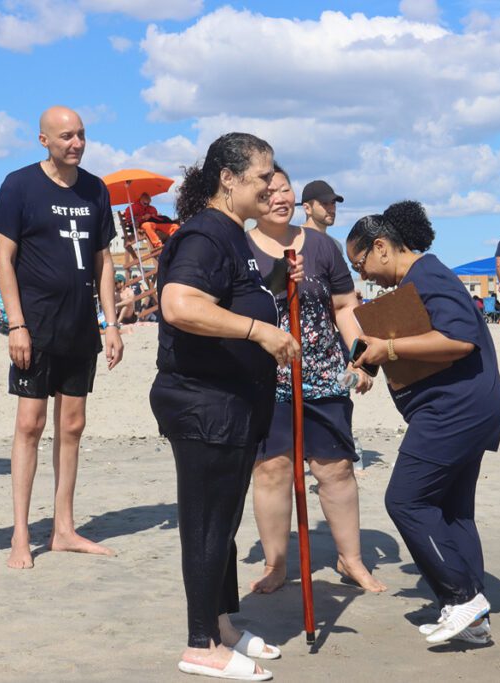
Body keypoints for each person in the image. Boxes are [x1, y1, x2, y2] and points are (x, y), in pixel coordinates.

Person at [150, 133, 300, 680]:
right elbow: (180, 304)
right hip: (203, 402)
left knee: (226, 518)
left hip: (234, 402)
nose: (271, 185)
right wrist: (261, 330)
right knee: (207, 520)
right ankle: (199, 643)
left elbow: (230, 298)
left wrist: (278, 284)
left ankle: (220, 624)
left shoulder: (233, 236)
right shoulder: (206, 235)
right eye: (262, 176)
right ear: (228, 179)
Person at [348, 200, 500, 646]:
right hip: (467, 405)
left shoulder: (429, 275)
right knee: (452, 512)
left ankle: (462, 599)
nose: (362, 275)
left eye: (360, 263)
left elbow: (458, 340)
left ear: (381, 247)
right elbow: (404, 335)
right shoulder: (412, 286)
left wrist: (389, 352)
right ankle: (474, 617)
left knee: (406, 501)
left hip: (454, 410)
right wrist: (369, 364)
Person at [0, 106, 124, 570]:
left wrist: (112, 323)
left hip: (81, 326)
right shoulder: (20, 185)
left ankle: (63, 529)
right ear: (43, 140)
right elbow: (5, 258)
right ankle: (21, 535)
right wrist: (16, 325)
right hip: (37, 326)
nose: (76, 143)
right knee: (29, 425)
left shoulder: (94, 189)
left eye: (81, 135)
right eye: (66, 136)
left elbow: (104, 259)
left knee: (72, 426)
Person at [246, 164, 385, 595]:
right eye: (269, 191)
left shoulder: (324, 247)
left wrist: (360, 360)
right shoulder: (240, 246)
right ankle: (276, 564)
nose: (280, 197)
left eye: (286, 189)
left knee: (337, 468)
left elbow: (344, 306)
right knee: (272, 470)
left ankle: (352, 559)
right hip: (267, 378)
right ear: (252, 197)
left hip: (323, 373)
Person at [300, 179, 345, 253]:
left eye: (333, 203)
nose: (331, 209)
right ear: (307, 208)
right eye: (325, 203)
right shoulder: (294, 241)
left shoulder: (335, 246)